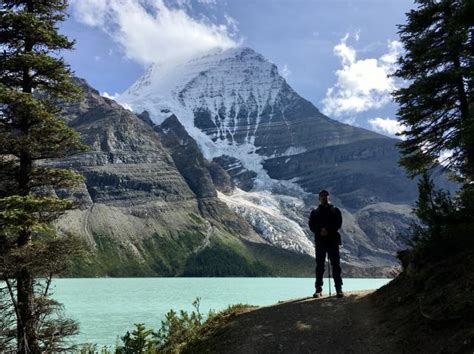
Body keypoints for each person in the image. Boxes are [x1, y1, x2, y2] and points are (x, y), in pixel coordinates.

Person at [308, 190, 344, 298]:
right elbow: (311, 225)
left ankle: (339, 289)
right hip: (320, 241)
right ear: (319, 198)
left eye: (326, 196)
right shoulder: (315, 212)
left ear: (329, 197)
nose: (324, 197)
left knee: (335, 265)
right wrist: (320, 231)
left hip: (332, 240)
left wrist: (327, 230)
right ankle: (318, 289)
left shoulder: (335, 210)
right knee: (320, 266)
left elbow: (338, 223)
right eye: (322, 196)